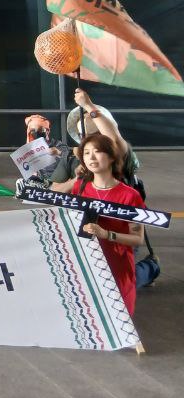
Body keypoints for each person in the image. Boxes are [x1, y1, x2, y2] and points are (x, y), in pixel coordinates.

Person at [51, 133, 145, 315]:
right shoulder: (80, 187)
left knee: (119, 314)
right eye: (86, 153)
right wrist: (75, 180)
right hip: (86, 261)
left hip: (117, 265)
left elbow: (137, 238)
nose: (91, 157)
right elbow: (53, 195)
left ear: (111, 157)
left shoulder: (130, 195)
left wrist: (106, 234)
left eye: (98, 152)